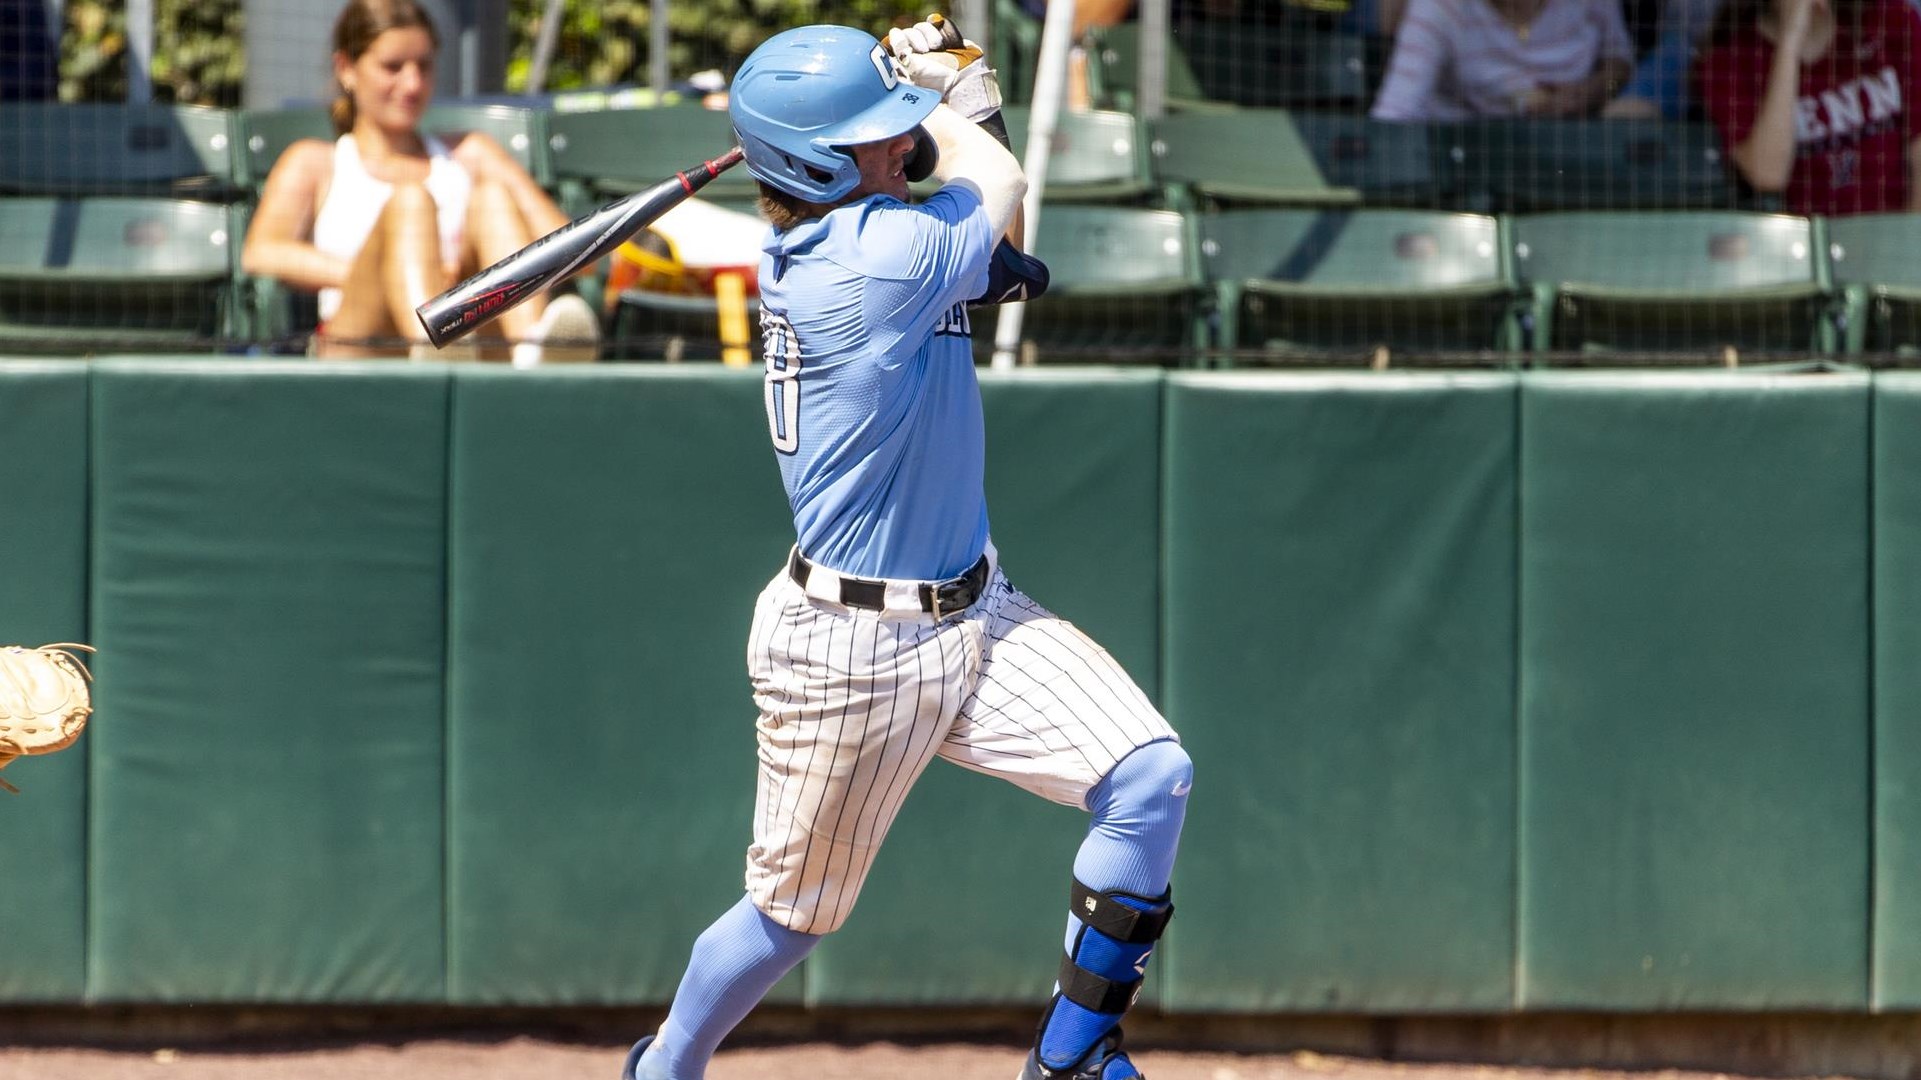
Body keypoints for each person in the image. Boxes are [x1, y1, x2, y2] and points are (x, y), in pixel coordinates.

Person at [618, 18, 1193, 1080]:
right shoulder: (868, 266)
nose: (896, 144)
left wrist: (923, 92)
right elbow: (992, 170)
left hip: (978, 608)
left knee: (1149, 775)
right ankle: (665, 1067)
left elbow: (971, 214)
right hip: (850, 648)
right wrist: (944, 80)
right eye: (869, 135)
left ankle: (1069, 1059)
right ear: (812, 163)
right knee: (789, 919)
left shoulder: (879, 235)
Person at [241, 0, 599, 361]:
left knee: (492, 198)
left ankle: (531, 355)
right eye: (392, 67)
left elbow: (579, 255)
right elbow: (261, 253)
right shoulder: (315, 161)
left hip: (477, 335)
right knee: (410, 202)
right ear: (346, 68)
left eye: (424, 66)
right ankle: (432, 347)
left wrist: (466, 272)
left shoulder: (473, 154)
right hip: (358, 342)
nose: (412, 84)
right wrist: (395, 270)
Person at [1695, 0, 1921, 214]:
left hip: (1897, 231)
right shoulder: (1727, 61)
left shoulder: (1893, 21)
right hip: (1800, 242)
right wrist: (1791, 40)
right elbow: (1766, 174)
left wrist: (1905, 240)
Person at [1371, 0, 1635, 119]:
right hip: (1465, 168)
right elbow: (1396, 110)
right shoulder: (1438, 6)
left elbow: (1619, 58)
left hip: (1570, 158)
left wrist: (1590, 93)